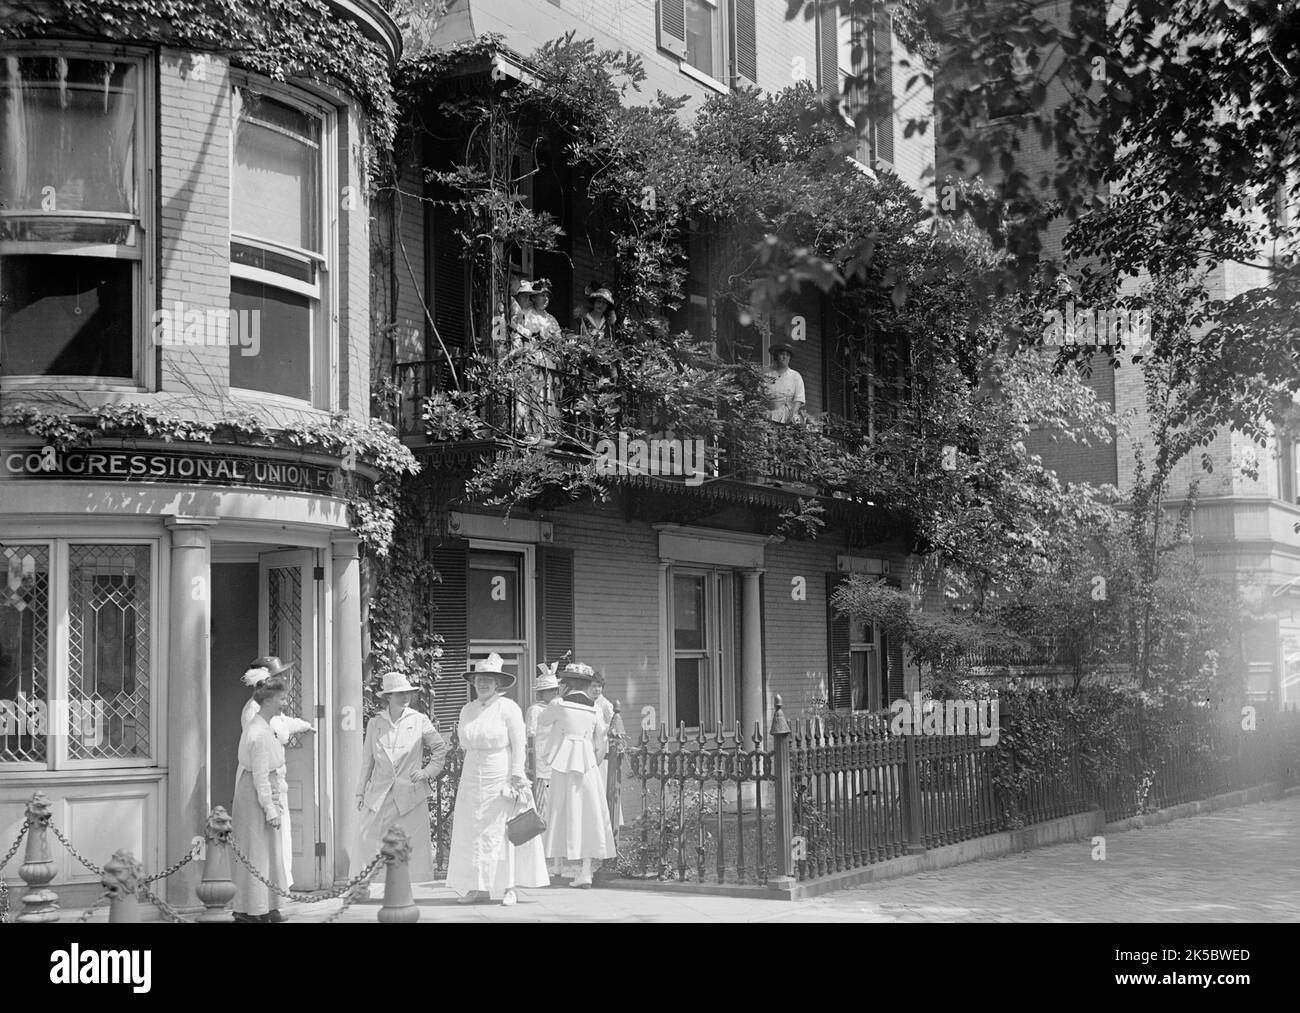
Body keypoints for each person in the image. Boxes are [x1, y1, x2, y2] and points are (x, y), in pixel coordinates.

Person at [445, 652, 549, 905]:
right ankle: (477, 887)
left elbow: (519, 744)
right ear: (473, 682)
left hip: (499, 772)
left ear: (498, 683)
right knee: (472, 831)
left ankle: (508, 887)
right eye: (479, 678)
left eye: (489, 679)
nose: (483, 683)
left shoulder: (508, 708)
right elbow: (464, 742)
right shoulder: (467, 710)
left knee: (502, 830)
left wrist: (516, 773)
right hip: (472, 775)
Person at [353, 671, 448, 886]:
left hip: (410, 794)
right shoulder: (375, 723)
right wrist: (360, 792)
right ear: (388, 696)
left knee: (411, 843)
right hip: (380, 792)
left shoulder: (419, 720)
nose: (405, 697)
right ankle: (365, 884)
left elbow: (439, 748)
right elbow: (367, 760)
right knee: (366, 838)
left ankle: (410, 888)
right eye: (398, 694)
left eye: (407, 693)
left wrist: (426, 772)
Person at [539, 662, 617, 887]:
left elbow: (542, 720)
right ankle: (585, 870)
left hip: (564, 763)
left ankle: (557, 863)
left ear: (567, 684)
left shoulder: (559, 705)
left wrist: (558, 699)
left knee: (560, 808)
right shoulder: (594, 709)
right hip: (586, 764)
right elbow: (599, 740)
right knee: (588, 812)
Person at [239, 656, 313, 889]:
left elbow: (283, 723)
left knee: (279, 839)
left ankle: (277, 892)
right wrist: (269, 804)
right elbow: (262, 753)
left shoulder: (269, 712)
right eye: (278, 676)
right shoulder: (255, 712)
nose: (283, 679)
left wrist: (304, 726)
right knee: (264, 841)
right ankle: (263, 896)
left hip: (274, 779)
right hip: (260, 780)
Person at [231, 674, 291, 923]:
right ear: (267, 701)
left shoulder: (265, 728)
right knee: (255, 851)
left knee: (269, 852)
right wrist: (270, 808)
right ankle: (250, 909)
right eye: (281, 698)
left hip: (266, 790)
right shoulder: (257, 733)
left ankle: (267, 905)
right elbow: (260, 777)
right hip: (255, 795)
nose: (284, 703)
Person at [525, 663, 563, 817]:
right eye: (549, 691)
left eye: (555, 690)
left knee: (558, 805)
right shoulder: (535, 710)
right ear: (541, 693)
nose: (553, 693)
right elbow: (530, 736)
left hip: (558, 762)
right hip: (542, 765)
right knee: (544, 805)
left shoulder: (560, 708)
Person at [589, 670, 623, 832]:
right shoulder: (587, 702)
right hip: (591, 750)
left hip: (603, 751)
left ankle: (607, 823)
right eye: (594, 686)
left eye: (599, 687)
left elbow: (615, 727)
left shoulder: (605, 705)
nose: (596, 690)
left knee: (604, 786)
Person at [764, 342, 806, 423]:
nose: (785, 357)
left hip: (788, 418)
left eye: (787, 355)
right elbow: (758, 397)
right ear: (776, 356)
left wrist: (791, 416)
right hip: (768, 417)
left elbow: (799, 399)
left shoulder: (795, 376)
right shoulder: (766, 374)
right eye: (782, 354)